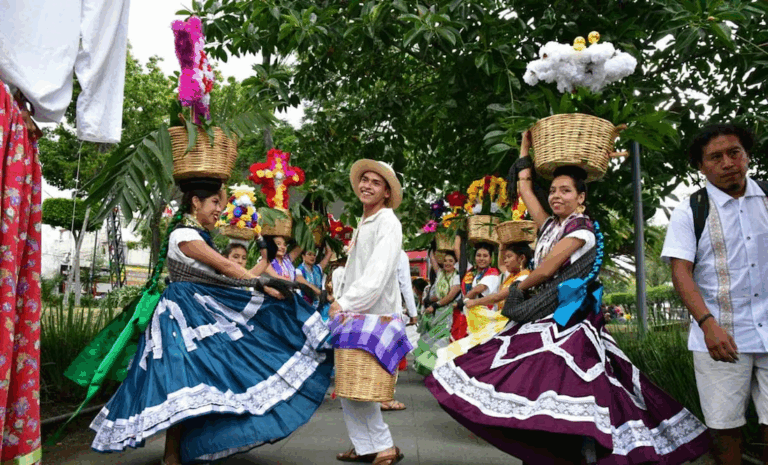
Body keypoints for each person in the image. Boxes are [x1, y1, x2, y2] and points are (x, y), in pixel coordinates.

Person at [425, 131, 710, 464]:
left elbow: (546, 270)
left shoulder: (582, 230)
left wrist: (516, 289)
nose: (557, 196)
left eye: (566, 191)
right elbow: (526, 190)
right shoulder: (549, 227)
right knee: (533, 390)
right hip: (543, 316)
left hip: (570, 323)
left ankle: (579, 454)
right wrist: (525, 150)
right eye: (555, 190)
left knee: (564, 391)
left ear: (581, 197)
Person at [89, 178, 333, 465]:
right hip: (180, 315)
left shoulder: (197, 235)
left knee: (201, 379)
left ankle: (180, 452)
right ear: (196, 202)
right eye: (216, 202)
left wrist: (261, 273)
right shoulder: (182, 234)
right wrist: (259, 282)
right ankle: (172, 456)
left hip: (198, 311)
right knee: (182, 380)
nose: (220, 209)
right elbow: (227, 267)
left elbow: (228, 273)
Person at [662, 123, 768, 465]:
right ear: (701, 166)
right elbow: (681, 271)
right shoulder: (689, 209)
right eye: (715, 157)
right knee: (725, 429)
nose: (727, 162)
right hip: (719, 336)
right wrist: (708, 324)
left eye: (734, 152)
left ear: (747, 155)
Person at [328, 159, 407, 465]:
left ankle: (381, 446)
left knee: (360, 386)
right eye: (365, 180)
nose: (367, 186)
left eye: (376, 182)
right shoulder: (367, 221)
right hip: (359, 314)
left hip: (372, 316)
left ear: (387, 192)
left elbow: (377, 275)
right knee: (352, 384)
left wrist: (345, 303)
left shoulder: (388, 222)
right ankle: (367, 446)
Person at [451, 242, 500, 341]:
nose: (481, 258)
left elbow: (478, 290)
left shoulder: (493, 273)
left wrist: (462, 301)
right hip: (468, 315)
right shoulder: (471, 272)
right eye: (478, 255)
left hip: (485, 317)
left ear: (491, 259)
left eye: (485, 256)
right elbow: (457, 251)